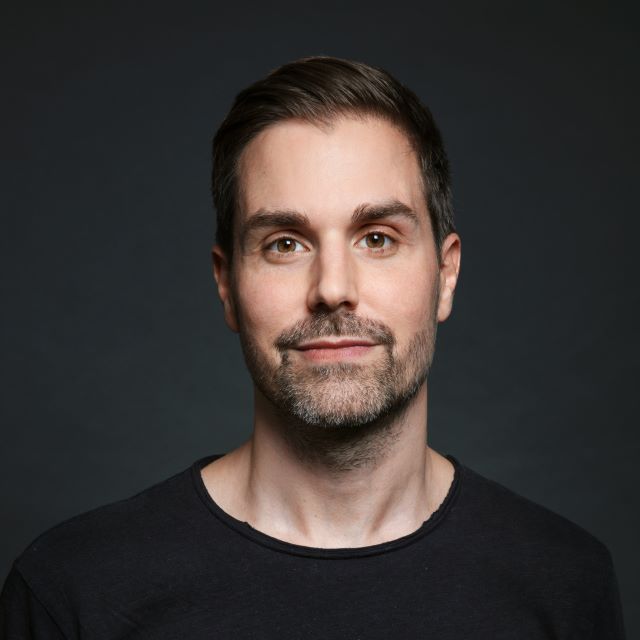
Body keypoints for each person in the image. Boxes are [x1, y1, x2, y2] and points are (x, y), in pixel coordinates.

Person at [0, 56, 625, 639]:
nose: (332, 289)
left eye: (377, 238)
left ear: (446, 275)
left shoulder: (563, 584)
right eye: (285, 244)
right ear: (227, 285)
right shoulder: (74, 591)